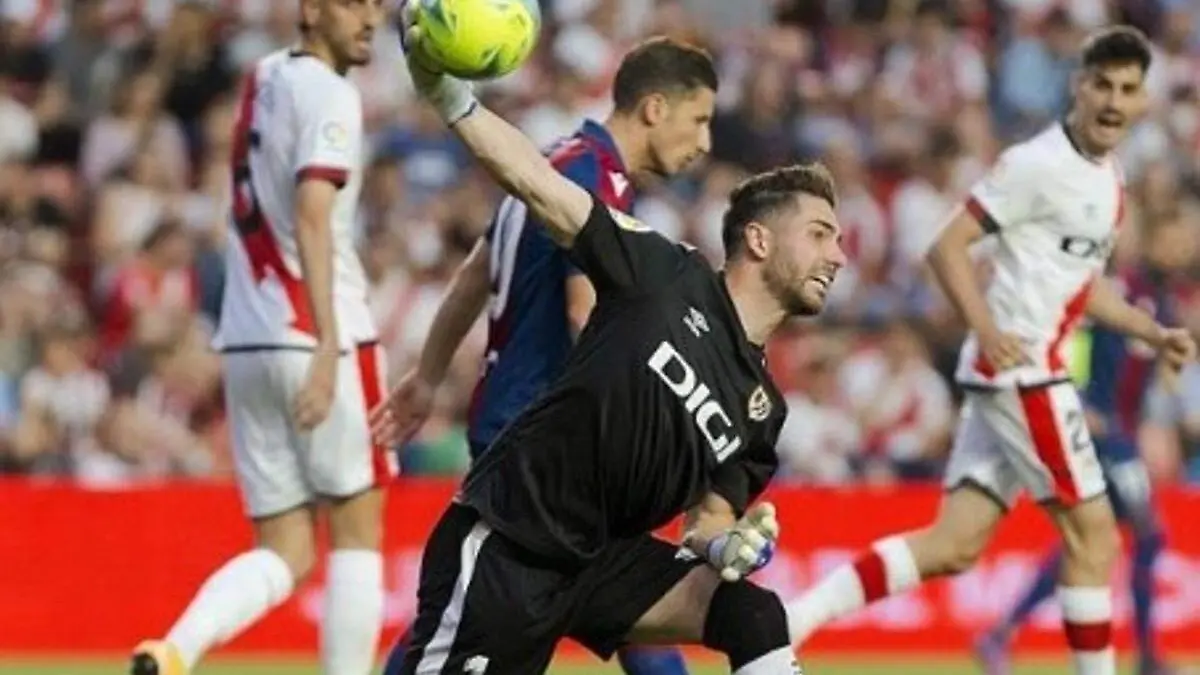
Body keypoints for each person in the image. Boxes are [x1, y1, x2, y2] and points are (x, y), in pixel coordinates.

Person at [371, 8, 848, 674]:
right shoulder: (659, 266)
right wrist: (449, 95)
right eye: (821, 233)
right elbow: (535, 189)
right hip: (522, 526)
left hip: (604, 553)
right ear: (761, 240)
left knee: (753, 613)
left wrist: (724, 548)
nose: (838, 256)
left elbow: (708, 522)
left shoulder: (763, 409)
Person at [782, 26, 1196, 675]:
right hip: (1023, 371)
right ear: (1078, 88)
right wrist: (988, 326)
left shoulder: (1109, 185)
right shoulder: (1037, 164)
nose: (1114, 101)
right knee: (1094, 534)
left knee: (954, 544)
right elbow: (947, 245)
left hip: (1019, 373)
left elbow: (1079, 289)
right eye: (1102, 85)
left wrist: (1151, 332)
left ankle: (791, 619)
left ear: (1143, 100)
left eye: (1128, 89)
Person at [378, 36, 719, 675]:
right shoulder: (593, 179)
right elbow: (586, 310)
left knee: (483, 609)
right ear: (654, 108)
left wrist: (427, 378)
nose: (704, 141)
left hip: (514, 427)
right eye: (698, 119)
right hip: (546, 443)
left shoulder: (550, 163)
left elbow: (473, 280)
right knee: (607, 600)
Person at [130, 1, 390, 674]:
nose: (371, 17)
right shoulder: (332, 93)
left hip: (248, 338)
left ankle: (175, 646)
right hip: (320, 331)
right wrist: (331, 343)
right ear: (311, 10)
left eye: (376, 4)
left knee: (287, 547)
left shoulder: (265, 75)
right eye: (353, 3)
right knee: (357, 528)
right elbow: (311, 212)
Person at [975, 212, 1197, 675]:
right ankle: (1148, 658)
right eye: (1174, 239)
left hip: (1125, 434)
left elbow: (1156, 371)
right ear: (1153, 242)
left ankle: (1001, 632)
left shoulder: (1163, 300)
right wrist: (1075, 398)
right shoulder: (1121, 290)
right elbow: (1068, 341)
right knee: (1149, 536)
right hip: (1104, 435)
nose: (1181, 251)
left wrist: (1164, 418)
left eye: (1187, 244)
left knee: (1089, 545)